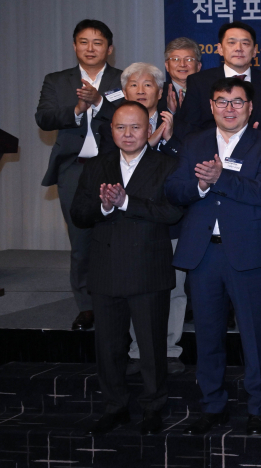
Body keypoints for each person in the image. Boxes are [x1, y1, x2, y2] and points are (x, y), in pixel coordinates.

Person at [166, 76, 261, 436]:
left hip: (247, 253)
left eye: (236, 102)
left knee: (254, 334)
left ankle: (259, 406)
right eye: (221, 102)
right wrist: (200, 184)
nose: (229, 109)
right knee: (208, 334)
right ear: (212, 106)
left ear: (249, 107)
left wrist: (218, 178)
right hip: (203, 255)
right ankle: (212, 405)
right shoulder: (194, 141)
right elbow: (174, 188)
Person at [70, 101, 183, 436]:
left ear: (149, 129)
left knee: (150, 347)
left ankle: (153, 407)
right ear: (111, 131)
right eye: (121, 128)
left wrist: (127, 203)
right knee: (108, 348)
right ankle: (115, 407)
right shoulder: (96, 167)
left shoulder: (168, 165)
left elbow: (174, 213)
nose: (128, 134)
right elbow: (78, 214)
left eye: (136, 127)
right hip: (106, 270)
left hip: (149, 268)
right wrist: (104, 206)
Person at [36, 19, 123, 331]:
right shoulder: (57, 80)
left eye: (97, 42)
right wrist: (76, 109)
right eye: (83, 42)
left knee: (119, 237)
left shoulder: (123, 79)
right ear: (74, 46)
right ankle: (87, 306)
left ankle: (118, 297)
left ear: (109, 49)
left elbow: (136, 115)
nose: (90, 48)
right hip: (74, 169)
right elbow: (43, 117)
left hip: (116, 168)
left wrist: (99, 102)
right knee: (81, 239)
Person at [118, 63, 185, 376]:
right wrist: (150, 140)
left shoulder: (182, 124)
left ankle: (170, 351)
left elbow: (186, 172)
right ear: (124, 92)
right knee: (135, 287)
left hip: (171, 223)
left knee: (174, 289)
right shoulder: (115, 126)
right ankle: (137, 352)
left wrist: (166, 141)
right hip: (131, 225)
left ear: (161, 92)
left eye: (148, 85)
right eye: (134, 85)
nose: (141, 90)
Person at [172, 21, 261, 144]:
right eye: (231, 43)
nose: (238, 48)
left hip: (259, 155)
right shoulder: (199, 82)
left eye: (245, 43)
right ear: (220, 49)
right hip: (211, 153)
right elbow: (190, 128)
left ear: (254, 51)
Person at [158, 37, 201, 117]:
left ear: (198, 66)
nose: (182, 64)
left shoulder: (208, 93)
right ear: (167, 66)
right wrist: (172, 112)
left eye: (188, 59)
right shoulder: (157, 94)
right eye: (176, 59)